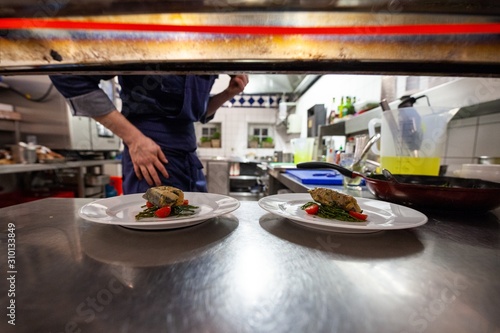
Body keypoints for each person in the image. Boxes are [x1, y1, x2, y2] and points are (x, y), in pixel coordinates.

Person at [49, 74, 249, 194]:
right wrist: (134, 139)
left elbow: (197, 112)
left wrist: (227, 93)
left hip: (189, 160)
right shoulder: (147, 33)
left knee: (194, 230)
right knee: (154, 238)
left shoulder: (207, 45)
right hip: (151, 156)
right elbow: (66, 77)